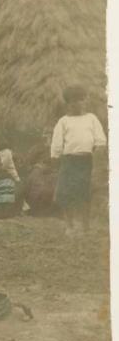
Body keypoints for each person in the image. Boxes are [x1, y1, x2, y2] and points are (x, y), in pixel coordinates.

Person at [51, 85, 107, 236]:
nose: (78, 104)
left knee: (84, 193)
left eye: (81, 100)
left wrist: (97, 160)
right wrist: (57, 158)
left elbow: (100, 141)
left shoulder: (91, 119)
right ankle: (69, 225)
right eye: (73, 101)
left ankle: (85, 226)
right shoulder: (64, 121)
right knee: (66, 192)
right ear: (68, 104)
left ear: (85, 100)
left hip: (86, 161)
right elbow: (57, 143)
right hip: (69, 161)